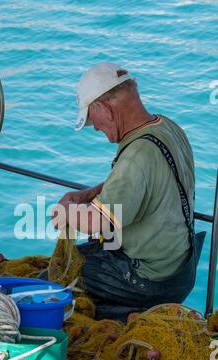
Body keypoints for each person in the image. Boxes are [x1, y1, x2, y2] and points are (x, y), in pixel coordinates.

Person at [51, 62, 205, 322]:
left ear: (105, 109)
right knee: (86, 255)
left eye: (92, 120)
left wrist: (66, 212)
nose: (96, 128)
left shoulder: (136, 156)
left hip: (151, 279)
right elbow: (146, 181)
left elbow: (97, 222)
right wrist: (89, 194)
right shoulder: (167, 127)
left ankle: (125, 317)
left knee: (57, 281)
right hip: (182, 269)